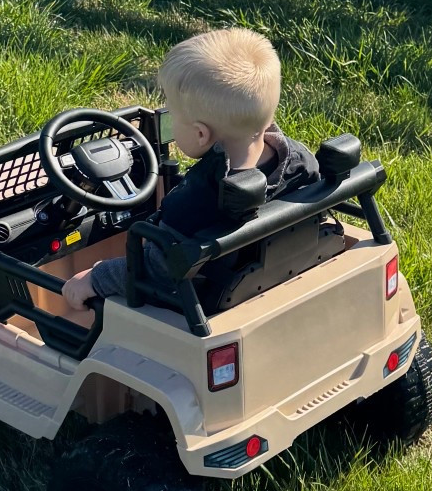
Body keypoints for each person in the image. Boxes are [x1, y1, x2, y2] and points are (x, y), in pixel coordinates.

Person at [61, 27, 318, 313]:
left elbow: (159, 271)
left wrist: (96, 278)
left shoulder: (199, 203)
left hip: (202, 310)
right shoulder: (300, 163)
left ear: (200, 135)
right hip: (272, 285)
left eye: (172, 114)